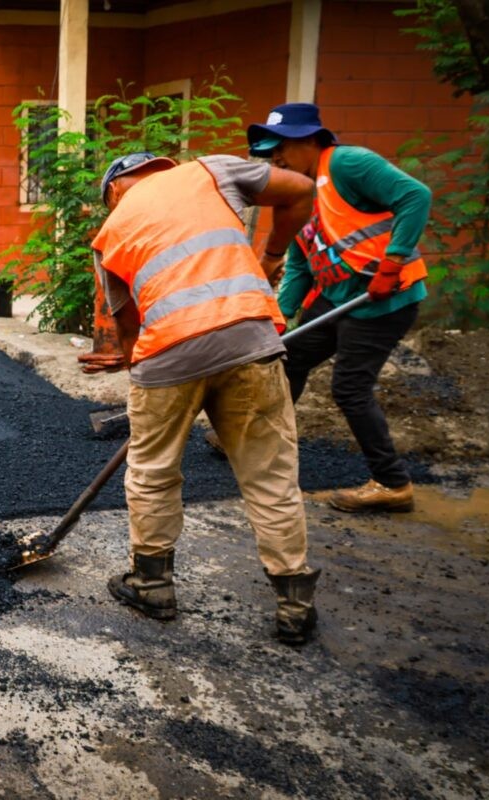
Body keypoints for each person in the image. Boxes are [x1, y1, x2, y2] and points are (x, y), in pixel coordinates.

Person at [92, 151, 322, 645]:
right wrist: (273, 256)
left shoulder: (109, 231)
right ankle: (295, 605)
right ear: (160, 167)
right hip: (249, 340)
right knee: (270, 474)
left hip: (167, 356)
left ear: (114, 190)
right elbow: (302, 189)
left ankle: (152, 585)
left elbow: (129, 329)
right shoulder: (211, 170)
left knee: (153, 471)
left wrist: (148, 384)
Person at [247, 103, 431, 513]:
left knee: (349, 388)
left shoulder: (349, 163)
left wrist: (395, 259)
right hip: (337, 298)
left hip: (383, 300)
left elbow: (417, 196)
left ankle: (391, 483)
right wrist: (278, 318)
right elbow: (299, 265)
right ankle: (263, 443)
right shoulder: (296, 194)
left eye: (282, 148)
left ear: (311, 139)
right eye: (269, 152)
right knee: (286, 358)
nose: (274, 158)